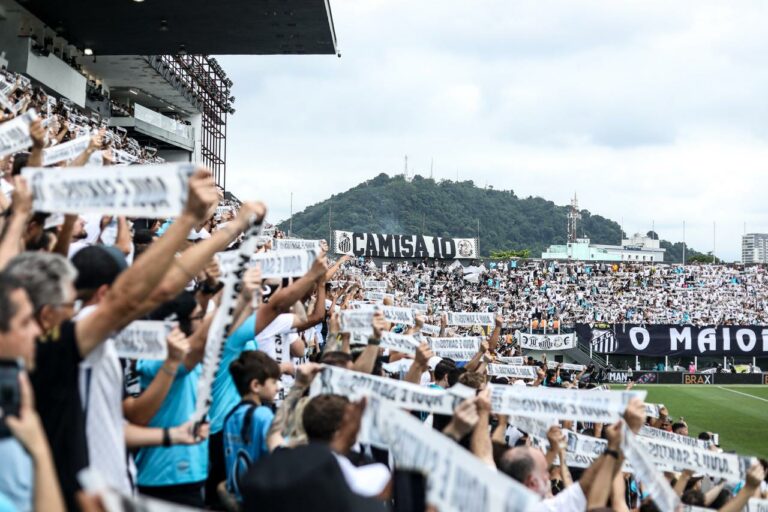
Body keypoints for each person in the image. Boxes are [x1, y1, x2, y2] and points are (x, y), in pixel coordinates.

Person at [222, 350, 281, 502]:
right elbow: (279, 455)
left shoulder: (230, 416)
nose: (278, 387)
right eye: (274, 382)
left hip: (237, 498)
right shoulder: (263, 415)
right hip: (259, 499)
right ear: (256, 385)